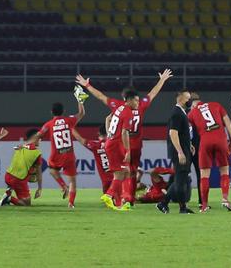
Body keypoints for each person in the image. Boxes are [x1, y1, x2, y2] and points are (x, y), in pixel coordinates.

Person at [75, 69, 172, 209]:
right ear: (131, 99)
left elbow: (101, 97)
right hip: (131, 143)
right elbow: (152, 94)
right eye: (136, 100)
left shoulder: (117, 105)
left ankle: (123, 198)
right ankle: (125, 198)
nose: (138, 102)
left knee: (125, 172)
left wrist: (87, 85)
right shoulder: (139, 106)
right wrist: (162, 80)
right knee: (130, 172)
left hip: (122, 142)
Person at [186, 93, 231, 212]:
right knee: (224, 170)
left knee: (204, 175)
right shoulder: (216, 105)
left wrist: (190, 143)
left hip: (205, 142)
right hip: (220, 139)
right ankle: (225, 199)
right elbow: (227, 122)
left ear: (192, 104)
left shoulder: (191, 113)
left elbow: (187, 130)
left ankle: (204, 205)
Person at [38, 99, 85, 209]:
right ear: (63, 111)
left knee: (52, 170)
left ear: (51, 112)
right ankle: (71, 203)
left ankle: (64, 186)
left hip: (56, 155)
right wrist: (80, 101)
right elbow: (81, 113)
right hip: (69, 155)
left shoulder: (48, 124)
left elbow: (39, 135)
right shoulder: (69, 120)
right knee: (72, 181)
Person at [158, 89, 195, 214]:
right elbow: (173, 133)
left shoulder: (181, 112)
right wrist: (180, 151)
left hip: (184, 149)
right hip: (179, 152)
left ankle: (166, 204)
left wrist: (189, 145)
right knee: (180, 180)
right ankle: (180, 207)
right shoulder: (177, 113)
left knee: (181, 179)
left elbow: (182, 133)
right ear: (180, 98)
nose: (189, 101)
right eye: (187, 98)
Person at [0, 129, 45, 207]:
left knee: (16, 175)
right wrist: (39, 188)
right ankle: (9, 198)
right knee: (26, 204)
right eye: (39, 138)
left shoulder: (19, 147)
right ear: (34, 137)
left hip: (8, 176)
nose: (40, 140)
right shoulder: (37, 153)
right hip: (18, 180)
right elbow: (39, 173)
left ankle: (8, 192)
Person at [79, 126, 114, 196]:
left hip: (105, 181)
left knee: (109, 200)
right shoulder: (114, 144)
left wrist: (71, 128)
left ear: (99, 134)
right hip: (117, 179)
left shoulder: (96, 146)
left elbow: (82, 140)